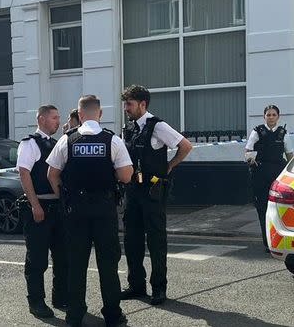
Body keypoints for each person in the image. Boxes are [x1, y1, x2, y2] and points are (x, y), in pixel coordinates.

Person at [47, 95, 133, 327]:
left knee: (76, 265)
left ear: (80, 114)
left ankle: (74, 316)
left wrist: (64, 197)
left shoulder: (67, 140)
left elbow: (52, 174)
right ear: (100, 114)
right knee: (108, 265)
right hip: (104, 211)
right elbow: (126, 175)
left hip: (76, 211)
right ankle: (113, 315)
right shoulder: (112, 141)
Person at [119, 85, 193, 306]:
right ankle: (136, 285)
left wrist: (169, 166)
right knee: (132, 240)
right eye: (125, 104)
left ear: (143, 104)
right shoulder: (129, 128)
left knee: (156, 242)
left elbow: (185, 146)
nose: (126, 108)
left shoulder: (158, 126)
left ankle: (159, 288)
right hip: (132, 191)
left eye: (129, 104)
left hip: (152, 192)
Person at [17, 104, 67, 318]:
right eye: (54, 117)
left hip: (58, 208)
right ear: (42, 119)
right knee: (37, 259)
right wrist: (35, 205)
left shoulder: (56, 143)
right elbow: (24, 173)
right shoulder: (29, 144)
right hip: (40, 207)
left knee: (63, 256)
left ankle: (60, 297)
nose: (58, 121)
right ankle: (36, 301)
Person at [244, 104, 293, 252]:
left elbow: (290, 155)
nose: (271, 117)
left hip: (277, 174)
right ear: (264, 116)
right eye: (268, 115)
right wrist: (250, 159)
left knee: (278, 208)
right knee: (263, 208)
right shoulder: (257, 131)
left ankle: (278, 238)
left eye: (274, 115)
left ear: (278, 117)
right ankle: (267, 242)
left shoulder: (283, 133)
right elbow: (247, 150)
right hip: (260, 174)